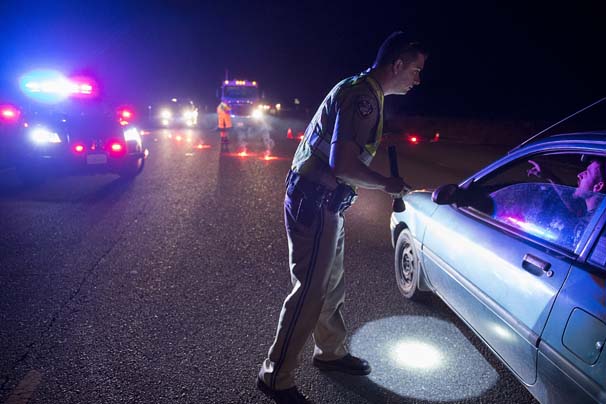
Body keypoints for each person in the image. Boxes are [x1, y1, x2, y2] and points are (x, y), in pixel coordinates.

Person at [257, 32, 427, 404]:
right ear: (396, 64)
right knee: (311, 291)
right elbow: (343, 163)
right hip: (316, 203)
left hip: (326, 202)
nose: (417, 79)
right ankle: (275, 375)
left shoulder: (359, 88)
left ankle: (331, 353)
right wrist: (387, 184)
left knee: (330, 285)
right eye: (415, 70)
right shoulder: (363, 97)